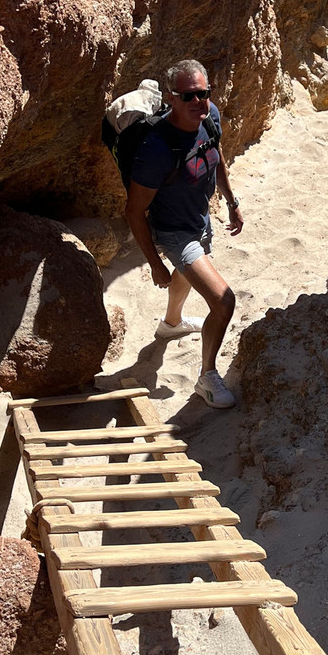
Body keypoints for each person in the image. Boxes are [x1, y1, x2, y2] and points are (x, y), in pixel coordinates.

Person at [125, 59, 244, 408]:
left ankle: (171, 323)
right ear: (171, 98)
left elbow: (217, 153)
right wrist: (153, 264)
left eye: (203, 93)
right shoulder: (157, 150)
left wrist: (231, 199)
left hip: (200, 218)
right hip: (175, 231)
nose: (198, 102)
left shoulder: (209, 116)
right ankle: (207, 377)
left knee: (188, 273)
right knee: (223, 301)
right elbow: (134, 211)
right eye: (189, 96)